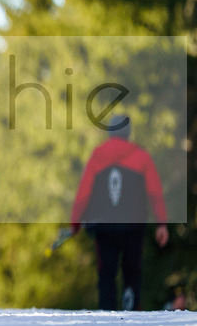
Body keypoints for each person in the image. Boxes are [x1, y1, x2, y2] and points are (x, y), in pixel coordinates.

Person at [70, 114, 169, 310]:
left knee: (106, 273)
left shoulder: (97, 155)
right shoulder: (141, 156)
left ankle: (107, 314)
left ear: (109, 133)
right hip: (133, 225)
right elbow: (154, 192)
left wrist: (75, 222)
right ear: (128, 132)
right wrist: (162, 224)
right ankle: (130, 310)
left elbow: (84, 193)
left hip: (103, 226)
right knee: (132, 270)